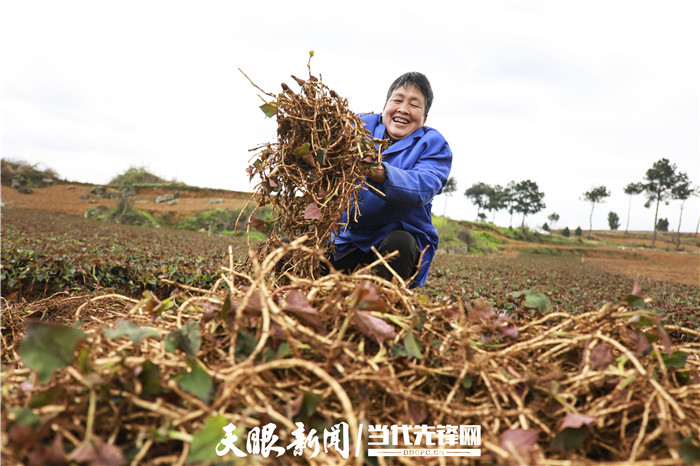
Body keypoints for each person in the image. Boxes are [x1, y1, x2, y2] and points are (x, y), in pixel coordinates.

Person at [330, 72, 452, 287]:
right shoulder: (360, 125)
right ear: (385, 106)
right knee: (292, 248)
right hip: (347, 241)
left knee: (399, 243)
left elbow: (423, 186)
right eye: (397, 100)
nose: (403, 109)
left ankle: (380, 307)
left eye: (414, 105)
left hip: (395, 248)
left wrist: (378, 172)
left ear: (424, 118)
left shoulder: (433, 143)